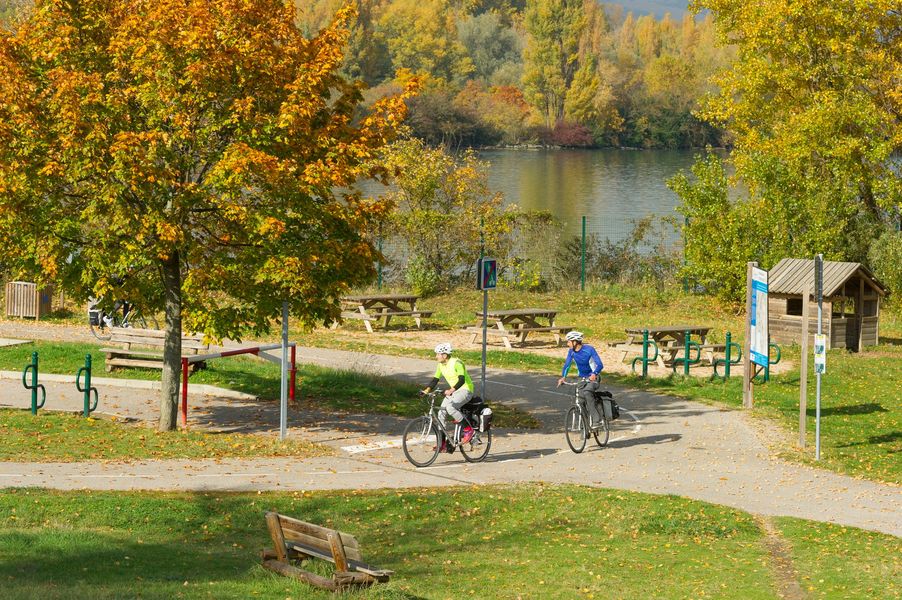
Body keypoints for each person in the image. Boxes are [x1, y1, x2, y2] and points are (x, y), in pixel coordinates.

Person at [423, 342, 475, 451]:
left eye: (438, 354)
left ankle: (468, 429)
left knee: (450, 407)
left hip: (465, 390)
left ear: (444, 355)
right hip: (454, 392)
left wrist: (451, 390)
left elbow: (462, 379)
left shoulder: (457, 363)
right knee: (441, 413)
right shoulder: (440, 365)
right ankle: (442, 444)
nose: (436, 356)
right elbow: (435, 380)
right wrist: (426, 390)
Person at [557, 331, 604, 423]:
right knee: (580, 401)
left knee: (587, 392)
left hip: (594, 377)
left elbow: (600, 365)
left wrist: (594, 374)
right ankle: (585, 426)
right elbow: (567, 365)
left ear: (575, 342)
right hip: (581, 378)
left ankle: (596, 419)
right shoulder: (571, 352)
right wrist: (563, 377)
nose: (567, 344)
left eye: (569, 342)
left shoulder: (589, 350)